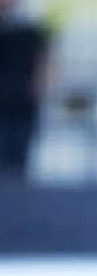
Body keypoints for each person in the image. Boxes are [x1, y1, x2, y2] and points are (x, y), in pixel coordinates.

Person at [0, 0, 48, 176]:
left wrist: (39, 88)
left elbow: (43, 63)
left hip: (22, 105)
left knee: (18, 161)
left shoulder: (31, 31)